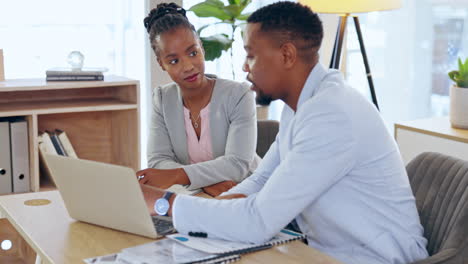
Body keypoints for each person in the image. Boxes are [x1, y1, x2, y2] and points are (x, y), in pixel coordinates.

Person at [140, 2, 429, 263]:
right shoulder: (302, 106)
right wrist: (214, 212)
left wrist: (165, 203)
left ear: (287, 55)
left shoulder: (331, 115)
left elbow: (257, 221)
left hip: (375, 258)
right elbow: (262, 179)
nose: (244, 66)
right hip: (324, 252)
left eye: (251, 56)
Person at [139, 3, 260, 196]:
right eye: (173, 60)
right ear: (161, 63)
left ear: (202, 48)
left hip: (246, 193)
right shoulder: (162, 99)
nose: (188, 66)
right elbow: (158, 161)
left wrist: (181, 175)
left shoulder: (239, 95)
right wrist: (204, 183)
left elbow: (237, 164)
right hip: (200, 196)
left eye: (193, 53)